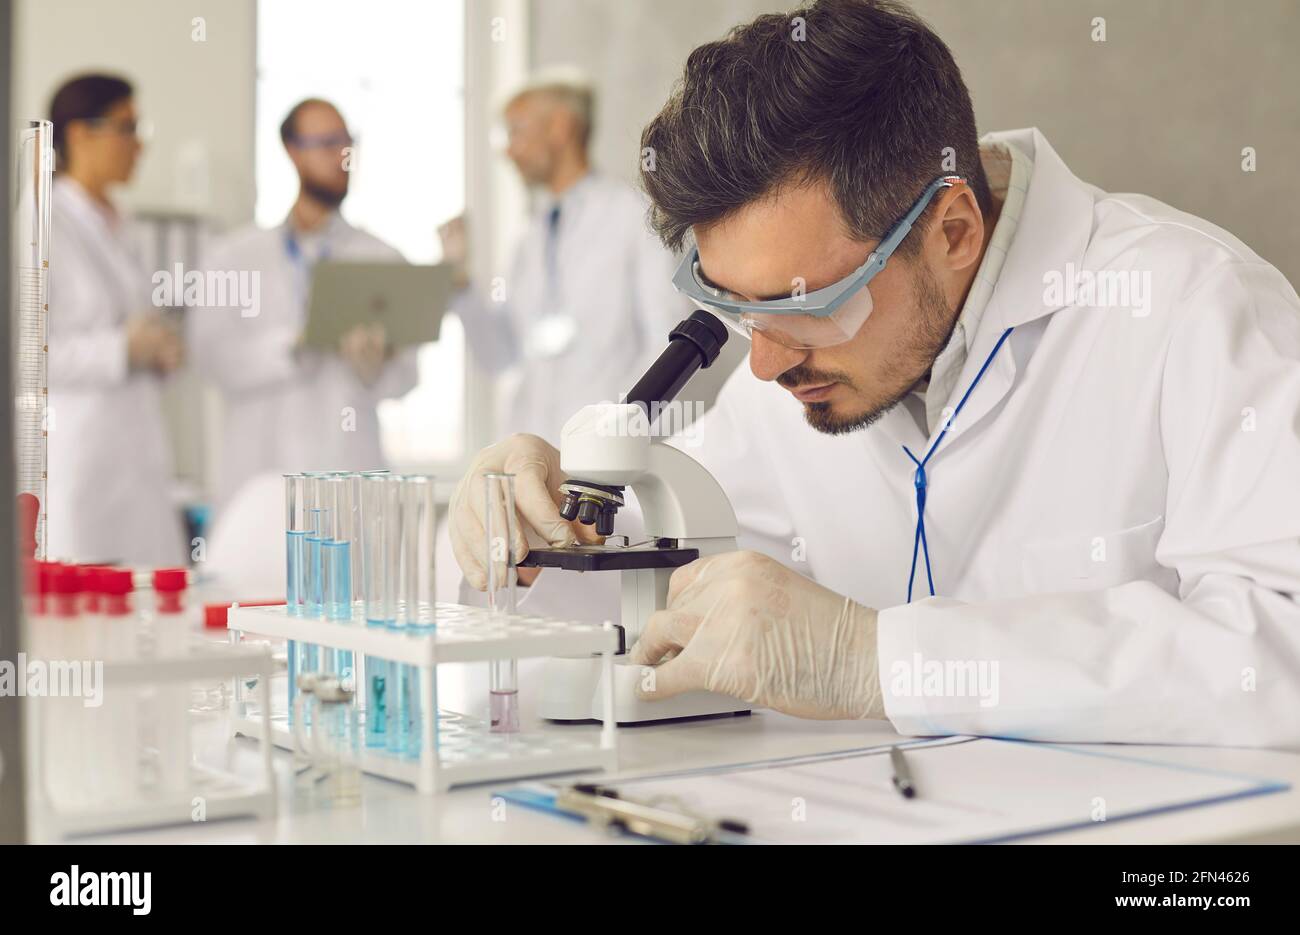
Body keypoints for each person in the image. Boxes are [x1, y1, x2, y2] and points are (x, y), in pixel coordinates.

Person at [447, 0, 1300, 746]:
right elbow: (633, 580)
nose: (767, 362)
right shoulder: (784, 384)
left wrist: (879, 660)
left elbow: (1279, 653)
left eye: (810, 303)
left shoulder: (1193, 307)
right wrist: (521, 521)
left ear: (953, 228)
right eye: (741, 309)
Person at [438, 68, 689, 442]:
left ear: (560, 127)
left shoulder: (633, 216)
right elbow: (500, 356)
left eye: (516, 131)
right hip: (531, 453)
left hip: (607, 459)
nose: (508, 150)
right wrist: (458, 279)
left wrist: (619, 431)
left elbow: (667, 343)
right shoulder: (529, 234)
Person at [191, 99, 417, 509]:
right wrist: (291, 347)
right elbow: (211, 359)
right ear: (292, 151)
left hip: (350, 473)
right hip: (257, 473)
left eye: (348, 143)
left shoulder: (382, 258)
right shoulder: (233, 256)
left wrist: (375, 368)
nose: (342, 157)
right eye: (328, 143)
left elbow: (407, 377)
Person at [46, 73, 186, 566]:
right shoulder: (41, 223)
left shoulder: (122, 223)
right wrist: (121, 350)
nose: (138, 145)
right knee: (82, 623)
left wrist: (158, 354)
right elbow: (26, 354)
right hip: (80, 463)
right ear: (80, 134)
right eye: (127, 128)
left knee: (151, 614)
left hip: (137, 458)